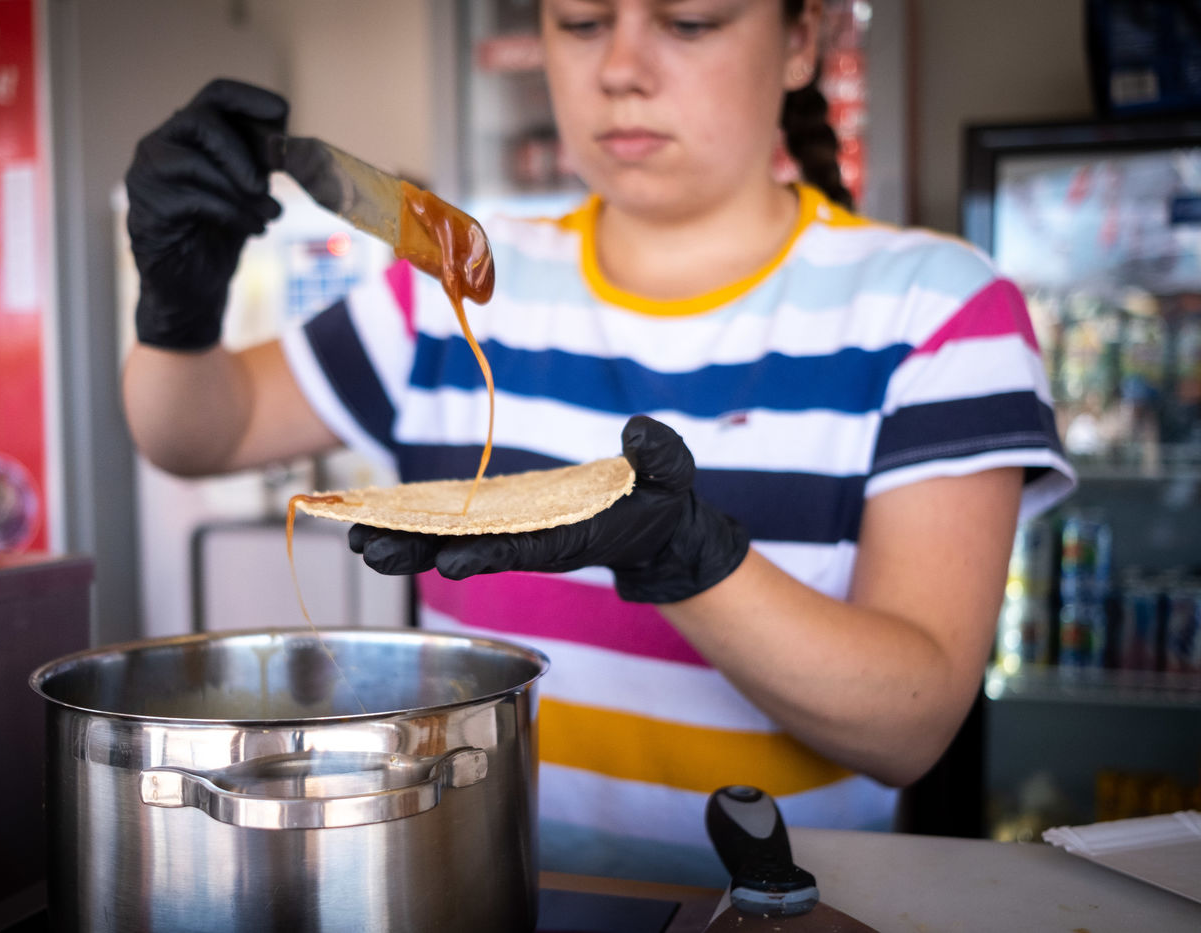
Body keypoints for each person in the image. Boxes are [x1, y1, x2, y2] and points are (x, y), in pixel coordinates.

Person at [122, 0, 1075, 885]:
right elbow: (206, 433)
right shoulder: (453, 284)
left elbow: (910, 725)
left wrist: (685, 558)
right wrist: (175, 311)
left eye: (688, 21)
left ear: (800, 41)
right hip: (473, 891)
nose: (620, 68)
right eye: (581, 22)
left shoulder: (937, 312)